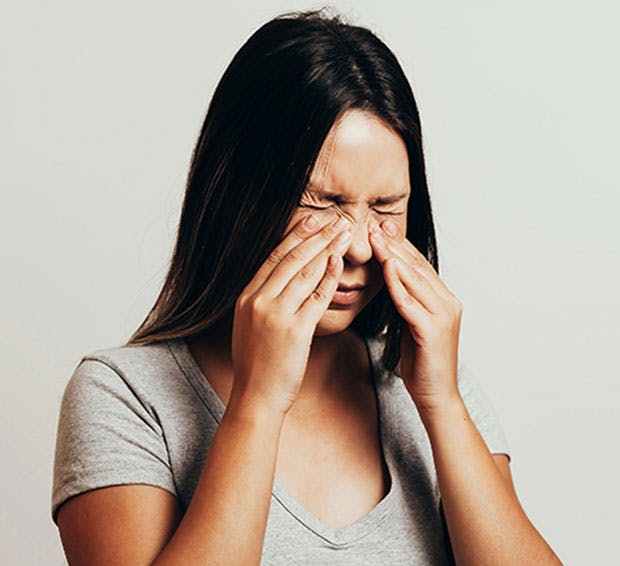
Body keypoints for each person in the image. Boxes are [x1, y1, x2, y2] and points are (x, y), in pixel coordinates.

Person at [51, 8, 562, 565]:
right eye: (324, 204)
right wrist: (258, 402)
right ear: (239, 196)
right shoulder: (123, 396)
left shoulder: (434, 388)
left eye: (387, 207)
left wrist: (441, 404)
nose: (361, 247)